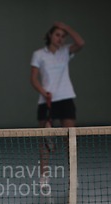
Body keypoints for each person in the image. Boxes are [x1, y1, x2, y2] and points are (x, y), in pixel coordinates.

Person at [30, 22, 84, 184]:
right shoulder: (39, 54)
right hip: (46, 100)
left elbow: (81, 43)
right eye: (57, 34)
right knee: (44, 140)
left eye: (63, 36)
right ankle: (44, 177)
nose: (60, 38)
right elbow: (33, 78)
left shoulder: (66, 51)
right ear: (50, 36)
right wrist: (43, 92)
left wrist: (67, 28)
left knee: (70, 139)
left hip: (66, 98)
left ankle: (72, 176)